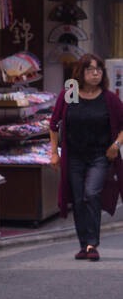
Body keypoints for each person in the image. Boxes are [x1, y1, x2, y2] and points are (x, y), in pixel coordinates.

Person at [48, 53, 123, 260]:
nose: (96, 73)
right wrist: (54, 153)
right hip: (74, 156)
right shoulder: (70, 94)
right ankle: (85, 245)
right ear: (81, 72)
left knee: (91, 193)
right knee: (79, 199)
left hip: (100, 155)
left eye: (99, 70)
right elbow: (54, 124)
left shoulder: (108, 98)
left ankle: (92, 244)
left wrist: (116, 144)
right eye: (91, 69)